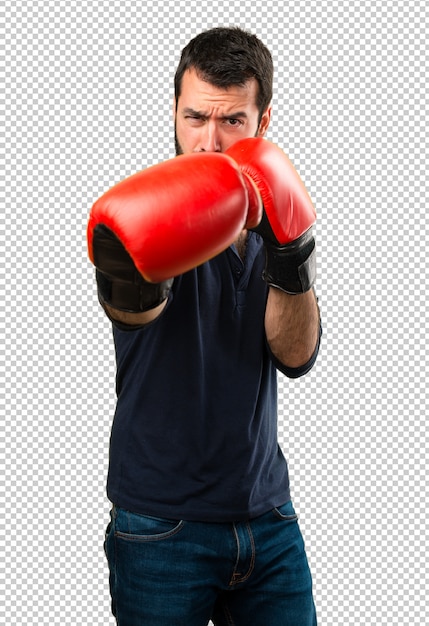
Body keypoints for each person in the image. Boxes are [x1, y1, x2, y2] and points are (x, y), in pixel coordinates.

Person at [87, 26, 321, 626]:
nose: (209, 142)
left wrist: (291, 257)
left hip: (267, 519)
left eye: (231, 122)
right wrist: (128, 270)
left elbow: (295, 355)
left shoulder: (273, 208)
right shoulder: (152, 213)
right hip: (163, 527)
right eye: (194, 118)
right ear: (173, 111)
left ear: (263, 120)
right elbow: (133, 313)